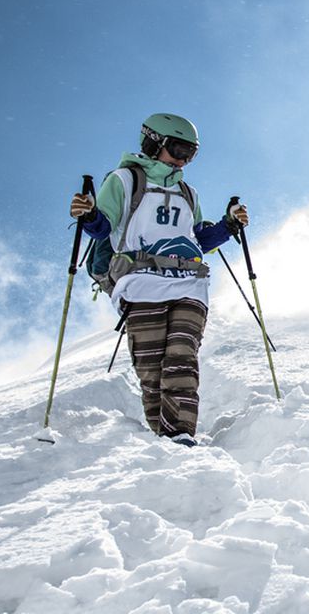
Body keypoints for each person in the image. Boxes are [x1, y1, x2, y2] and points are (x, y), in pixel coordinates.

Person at [69, 113, 248, 447]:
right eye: (178, 149)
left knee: (182, 356)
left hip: (188, 283)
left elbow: (197, 240)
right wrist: (89, 214)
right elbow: (105, 227)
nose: (183, 160)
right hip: (139, 283)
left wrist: (228, 226)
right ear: (154, 142)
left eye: (191, 154)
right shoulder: (124, 180)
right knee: (151, 369)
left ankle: (179, 434)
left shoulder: (188, 192)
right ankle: (162, 440)